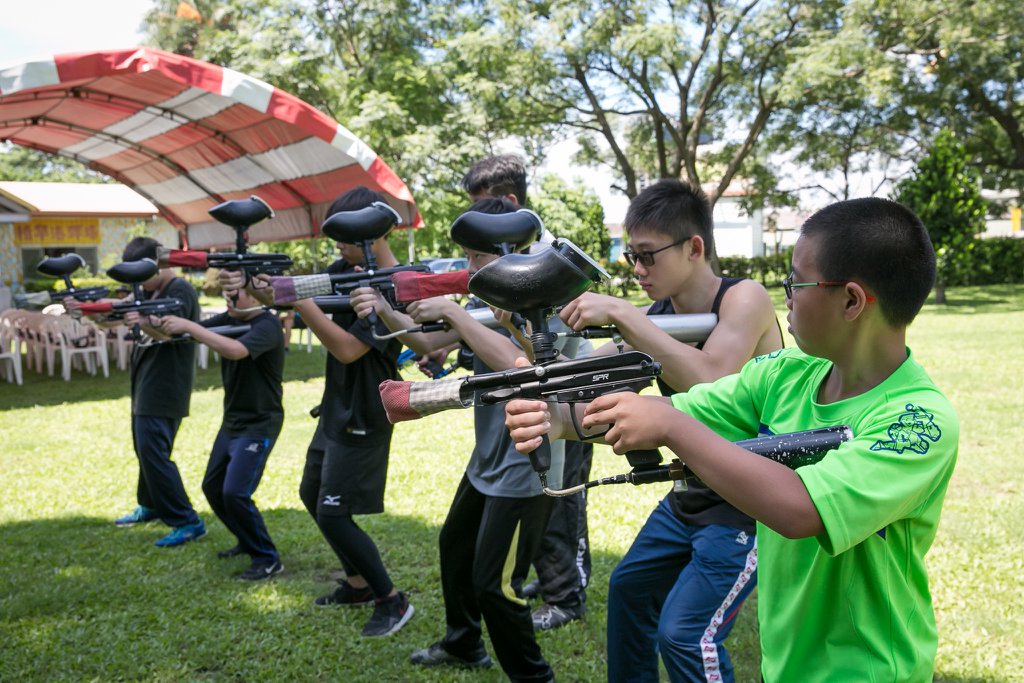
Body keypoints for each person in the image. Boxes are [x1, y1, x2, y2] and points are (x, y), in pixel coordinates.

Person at [506, 197, 959, 682]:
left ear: (851, 300)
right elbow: (671, 409)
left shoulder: (918, 421)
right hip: (786, 664)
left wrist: (671, 427)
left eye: (796, 281)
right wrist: (558, 417)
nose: (785, 294)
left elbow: (800, 509)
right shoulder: (785, 375)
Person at [545, 178, 782, 682]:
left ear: (694, 247)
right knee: (629, 591)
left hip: (749, 504)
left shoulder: (745, 299)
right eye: (632, 255)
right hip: (690, 497)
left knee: (685, 634)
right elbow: (573, 380)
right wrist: (526, 334)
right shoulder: (654, 320)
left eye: (648, 255)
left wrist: (626, 317)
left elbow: (712, 378)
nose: (637, 269)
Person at [350, 197, 571, 681]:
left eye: (476, 258)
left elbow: (521, 369)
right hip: (488, 461)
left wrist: (458, 311)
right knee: (454, 544)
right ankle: (463, 642)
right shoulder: (484, 304)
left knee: (497, 586)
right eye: (467, 258)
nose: (468, 268)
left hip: (528, 466)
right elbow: (428, 344)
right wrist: (386, 309)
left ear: (510, 253)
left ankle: (535, 677)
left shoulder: (545, 301)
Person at [463, 154, 595, 631]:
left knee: (562, 499)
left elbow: (558, 351)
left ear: (509, 203)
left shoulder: (551, 259)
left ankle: (567, 593)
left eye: (481, 210)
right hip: (530, 407)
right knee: (542, 507)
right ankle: (550, 579)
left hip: (571, 397)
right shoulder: (499, 265)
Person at [157, 286, 285, 580]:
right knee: (213, 487)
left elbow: (236, 351)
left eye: (235, 293)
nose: (229, 299)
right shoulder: (231, 319)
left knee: (235, 492)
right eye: (226, 293)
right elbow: (176, 336)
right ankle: (246, 539)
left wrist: (189, 325)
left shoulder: (267, 324)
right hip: (233, 422)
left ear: (254, 295)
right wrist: (147, 322)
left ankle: (267, 558)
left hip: (259, 422)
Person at [108, 237, 206, 548]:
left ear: (160, 263)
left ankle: (186, 520)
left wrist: (144, 321)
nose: (139, 283)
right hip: (145, 381)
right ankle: (150, 503)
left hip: (166, 384)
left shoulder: (181, 291)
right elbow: (117, 320)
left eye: (142, 274)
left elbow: (172, 334)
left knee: (154, 453)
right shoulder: (148, 291)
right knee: (144, 448)